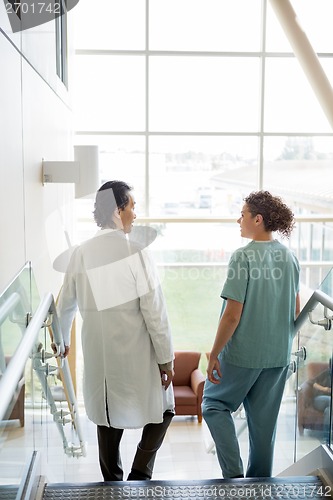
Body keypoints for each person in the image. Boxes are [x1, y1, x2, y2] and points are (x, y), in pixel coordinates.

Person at [57, 180, 175, 481]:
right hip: (137, 354)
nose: (135, 214)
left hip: (100, 355)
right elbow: (155, 312)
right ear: (116, 212)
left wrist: (60, 339)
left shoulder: (81, 253)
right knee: (165, 409)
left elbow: (65, 303)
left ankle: (112, 481)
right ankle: (139, 473)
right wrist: (166, 359)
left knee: (107, 417)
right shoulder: (136, 252)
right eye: (132, 207)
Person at [202, 190, 300, 479]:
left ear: (258, 219)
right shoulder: (289, 256)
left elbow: (232, 315)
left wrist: (214, 354)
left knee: (214, 405)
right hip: (278, 356)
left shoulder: (242, 257)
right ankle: (258, 490)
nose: (238, 220)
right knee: (263, 429)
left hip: (243, 354)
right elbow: (293, 310)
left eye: (243, 215)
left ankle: (234, 478)